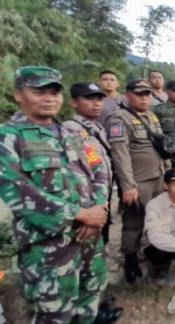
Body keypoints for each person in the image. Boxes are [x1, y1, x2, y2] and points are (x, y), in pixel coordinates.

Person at [0, 66, 121, 323]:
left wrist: (99, 209)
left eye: (54, 92)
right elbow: (20, 194)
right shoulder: (3, 138)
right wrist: (82, 215)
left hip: (91, 236)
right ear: (18, 94)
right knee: (54, 310)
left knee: (90, 294)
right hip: (49, 246)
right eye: (39, 91)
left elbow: (99, 169)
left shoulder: (75, 134)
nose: (49, 98)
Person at [107, 79, 170, 285]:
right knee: (134, 222)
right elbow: (120, 155)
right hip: (138, 182)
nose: (144, 98)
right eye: (139, 94)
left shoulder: (151, 115)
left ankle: (156, 256)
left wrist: (168, 173)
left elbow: (161, 146)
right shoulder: (119, 119)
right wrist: (128, 186)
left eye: (147, 94)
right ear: (127, 95)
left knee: (159, 219)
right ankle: (130, 260)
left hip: (158, 177)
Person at [64, 82, 115, 244]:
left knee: (101, 242)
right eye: (89, 99)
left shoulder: (98, 128)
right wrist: (90, 211)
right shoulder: (70, 130)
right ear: (74, 102)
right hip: (86, 202)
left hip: (102, 196)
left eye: (99, 99)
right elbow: (73, 176)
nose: (96, 103)